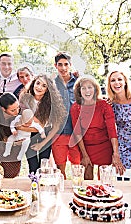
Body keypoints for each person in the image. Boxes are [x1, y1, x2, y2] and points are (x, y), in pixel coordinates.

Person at [70, 75, 125, 179]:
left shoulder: (104, 105)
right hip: (85, 147)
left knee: (104, 179)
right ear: (79, 91)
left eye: (90, 87)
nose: (87, 91)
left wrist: (116, 154)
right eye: (83, 88)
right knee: (87, 178)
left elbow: (112, 130)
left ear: (95, 89)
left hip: (104, 146)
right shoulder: (76, 108)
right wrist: (84, 155)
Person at [19, 74, 67, 173]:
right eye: (38, 83)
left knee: (43, 167)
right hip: (29, 136)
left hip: (45, 136)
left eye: (44, 86)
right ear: (33, 84)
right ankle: (33, 185)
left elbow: (56, 126)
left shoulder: (52, 103)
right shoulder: (25, 98)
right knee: (32, 167)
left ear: (48, 89)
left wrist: (42, 144)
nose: (39, 87)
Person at [106, 69, 131, 169]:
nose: (116, 83)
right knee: (120, 176)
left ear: (125, 81)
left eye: (119, 79)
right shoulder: (111, 103)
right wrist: (115, 152)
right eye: (113, 80)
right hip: (121, 146)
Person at [52, 51, 81, 179]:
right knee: (60, 169)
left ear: (70, 65)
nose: (63, 68)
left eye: (66, 64)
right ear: (55, 65)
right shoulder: (51, 85)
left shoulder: (79, 83)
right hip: (59, 133)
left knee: (77, 167)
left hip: (76, 132)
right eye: (60, 65)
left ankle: (77, 192)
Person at [0, 92, 23, 178]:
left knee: (13, 176)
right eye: (12, 110)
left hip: (15, 152)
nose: (17, 112)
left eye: (18, 108)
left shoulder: (19, 116)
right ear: (3, 109)